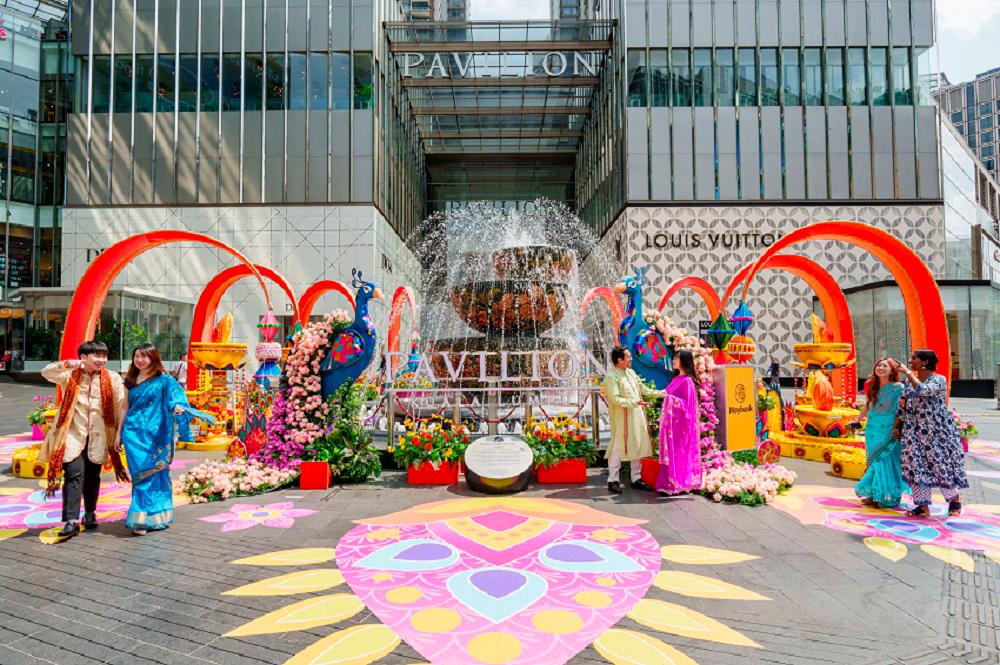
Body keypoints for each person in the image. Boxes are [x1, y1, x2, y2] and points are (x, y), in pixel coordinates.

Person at [40, 340, 128, 540]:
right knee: (73, 474)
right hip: (72, 434)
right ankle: (71, 520)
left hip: (99, 435)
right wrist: (67, 364)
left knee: (92, 476)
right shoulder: (70, 375)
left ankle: (89, 513)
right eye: (97, 356)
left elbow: (121, 403)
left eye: (104, 356)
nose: (102, 360)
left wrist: (120, 433)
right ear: (83, 357)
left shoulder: (112, 378)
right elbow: (47, 372)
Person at [117, 343, 205, 535]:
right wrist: (118, 433)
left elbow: (177, 399)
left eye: (144, 356)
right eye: (137, 356)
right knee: (140, 475)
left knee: (157, 474)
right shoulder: (130, 380)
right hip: (133, 434)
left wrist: (178, 408)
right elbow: (125, 407)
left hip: (157, 434)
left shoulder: (165, 380)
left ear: (154, 358)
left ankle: (155, 516)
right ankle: (141, 518)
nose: (140, 360)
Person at [891, 350, 968, 517]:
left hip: (936, 430)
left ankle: (954, 499)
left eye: (914, 358)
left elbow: (924, 390)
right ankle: (922, 506)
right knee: (916, 466)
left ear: (925, 362)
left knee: (939, 465)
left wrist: (908, 373)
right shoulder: (908, 382)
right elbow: (903, 404)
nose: (910, 361)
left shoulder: (939, 379)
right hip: (913, 429)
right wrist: (897, 426)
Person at [603, 346, 663, 494]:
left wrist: (663, 393)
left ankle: (636, 478)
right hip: (621, 418)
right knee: (617, 448)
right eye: (628, 357)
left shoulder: (630, 372)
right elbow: (614, 399)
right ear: (619, 360)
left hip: (636, 416)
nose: (631, 359)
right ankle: (613, 480)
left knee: (636, 444)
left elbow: (642, 389)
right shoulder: (611, 377)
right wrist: (634, 402)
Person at [851, 358, 908, 508]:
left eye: (885, 366)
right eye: (878, 365)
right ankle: (873, 494)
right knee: (872, 461)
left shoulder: (898, 388)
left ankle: (886, 496)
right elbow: (868, 405)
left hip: (889, 429)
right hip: (872, 429)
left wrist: (898, 427)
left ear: (892, 370)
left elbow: (901, 410)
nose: (880, 368)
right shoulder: (872, 385)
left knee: (884, 461)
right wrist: (857, 419)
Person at [655, 349, 702, 495]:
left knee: (677, 452)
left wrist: (670, 400)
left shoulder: (687, 381)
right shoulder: (675, 379)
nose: (674, 360)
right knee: (669, 452)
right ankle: (667, 483)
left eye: (676, 358)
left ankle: (678, 483)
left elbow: (689, 406)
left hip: (680, 425)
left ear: (684, 361)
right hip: (670, 425)